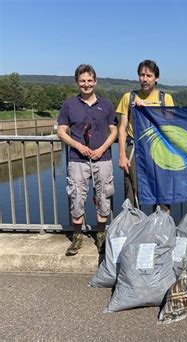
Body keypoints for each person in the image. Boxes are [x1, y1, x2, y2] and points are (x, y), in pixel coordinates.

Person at [57, 64, 117, 256]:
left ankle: (100, 235)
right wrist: (78, 145)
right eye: (82, 80)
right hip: (77, 160)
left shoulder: (106, 104)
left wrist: (101, 148)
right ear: (77, 82)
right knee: (76, 198)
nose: (86, 84)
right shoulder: (69, 105)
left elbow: (114, 131)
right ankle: (77, 238)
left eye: (90, 80)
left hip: (103, 159)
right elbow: (61, 131)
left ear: (95, 82)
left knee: (103, 197)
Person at [116, 59, 174, 210]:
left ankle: (160, 227)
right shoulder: (128, 98)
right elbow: (121, 128)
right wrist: (122, 155)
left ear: (156, 78)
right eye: (142, 75)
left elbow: (171, 125)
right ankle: (132, 225)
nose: (144, 79)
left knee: (161, 188)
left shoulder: (165, 98)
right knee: (131, 188)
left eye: (149, 75)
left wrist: (149, 108)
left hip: (158, 148)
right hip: (134, 148)